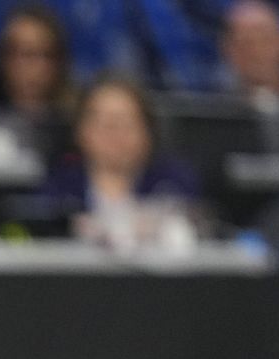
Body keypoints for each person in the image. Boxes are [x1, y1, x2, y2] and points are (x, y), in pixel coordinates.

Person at [40, 77, 201, 250]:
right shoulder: (59, 185)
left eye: (127, 122)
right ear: (80, 131)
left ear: (148, 131)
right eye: (105, 124)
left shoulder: (176, 182)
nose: (116, 135)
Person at [0, 4, 77, 161]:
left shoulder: (77, 128)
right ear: (4, 59)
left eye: (47, 55)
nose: (37, 66)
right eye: (27, 54)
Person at [220, 1, 279, 154]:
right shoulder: (214, 107)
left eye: (265, 40)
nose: (257, 52)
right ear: (229, 50)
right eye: (246, 43)